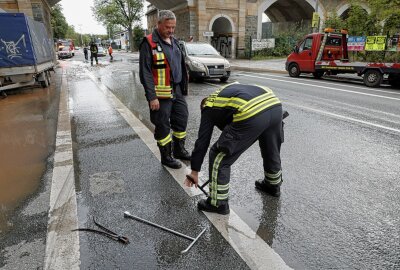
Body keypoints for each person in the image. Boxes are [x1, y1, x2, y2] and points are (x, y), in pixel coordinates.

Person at [184, 83, 285, 215]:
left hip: (251, 111)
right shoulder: (226, 93)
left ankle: (217, 203)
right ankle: (273, 185)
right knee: (270, 147)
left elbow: (202, 142)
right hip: (274, 105)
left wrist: (194, 172)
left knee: (219, 155)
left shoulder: (208, 107)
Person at [139, 10, 190, 169]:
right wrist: (151, 96)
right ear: (158, 24)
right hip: (160, 95)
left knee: (181, 119)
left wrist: (183, 88)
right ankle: (166, 156)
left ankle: (179, 150)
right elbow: (145, 72)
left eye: (173, 27)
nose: (171, 30)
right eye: (168, 27)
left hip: (176, 91)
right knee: (162, 125)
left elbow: (179, 65)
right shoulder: (149, 43)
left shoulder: (174, 41)